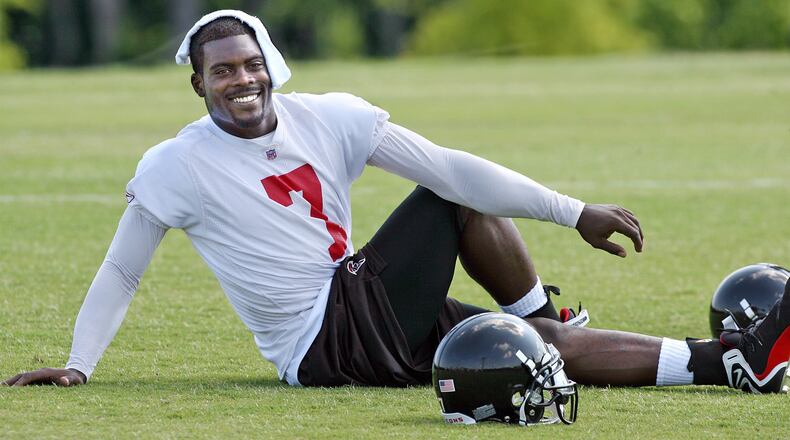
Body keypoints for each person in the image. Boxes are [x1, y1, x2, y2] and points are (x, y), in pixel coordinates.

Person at [5, 10, 789, 396]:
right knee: (450, 202)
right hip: (322, 343)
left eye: (248, 65)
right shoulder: (175, 164)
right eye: (220, 73)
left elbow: (453, 162)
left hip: (365, 306)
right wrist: (78, 367)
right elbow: (122, 271)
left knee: (530, 344)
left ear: (269, 65)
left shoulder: (333, 115)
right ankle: (547, 309)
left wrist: (570, 208)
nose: (239, 81)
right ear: (198, 83)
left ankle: (730, 366)